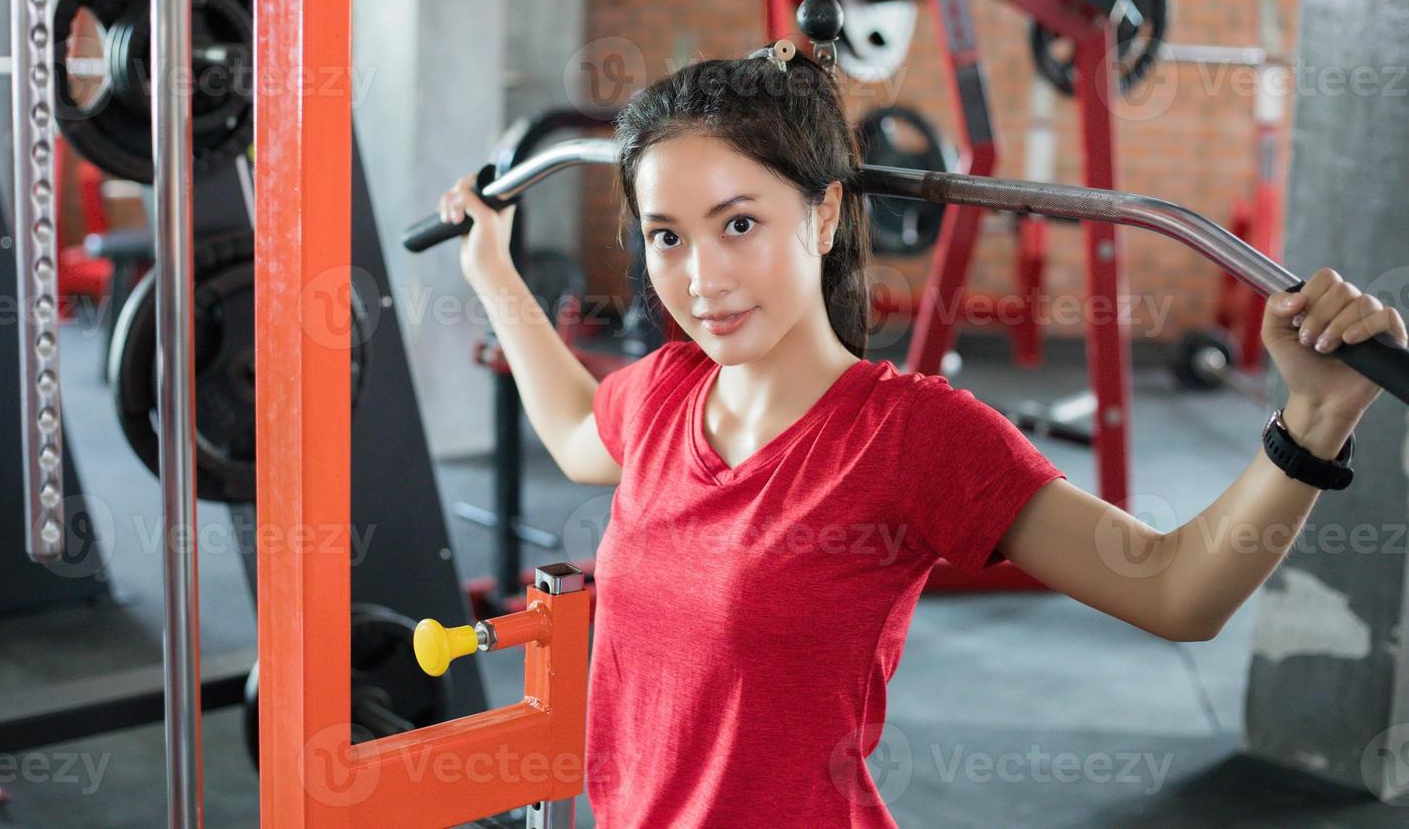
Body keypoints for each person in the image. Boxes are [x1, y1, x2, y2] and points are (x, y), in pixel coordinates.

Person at [433, 45, 1407, 826]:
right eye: (666, 236)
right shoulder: (666, 394)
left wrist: (1313, 418)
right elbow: (570, 430)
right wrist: (492, 271)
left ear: (822, 216)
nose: (699, 279)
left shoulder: (904, 435)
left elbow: (1173, 588)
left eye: (737, 224)